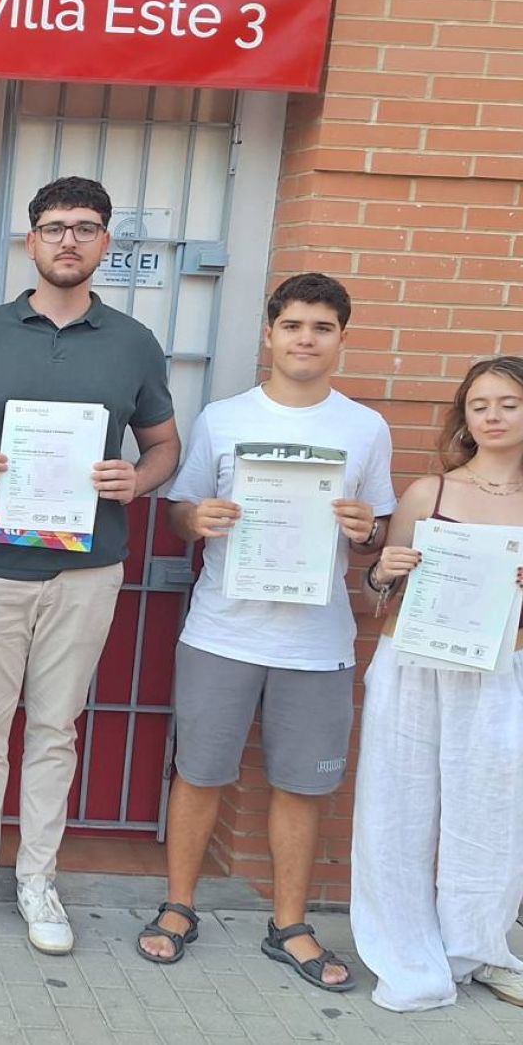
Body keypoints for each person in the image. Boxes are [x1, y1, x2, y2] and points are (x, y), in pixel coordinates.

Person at [0, 177, 181, 954]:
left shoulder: (133, 342)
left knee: (55, 729)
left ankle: (37, 878)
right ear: (31, 240)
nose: (69, 240)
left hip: (87, 568)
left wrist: (137, 479)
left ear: (106, 243)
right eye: (55, 227)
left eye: (86, 227)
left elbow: (164, 444)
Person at [134, 274, 393, 990]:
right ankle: (178, 907)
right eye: (294, 325)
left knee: (302, 786)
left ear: (341, 338)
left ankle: (290, 925)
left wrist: (366, 529)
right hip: (222, 632)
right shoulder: (224, 418)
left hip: (317, 641)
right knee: (199, 773)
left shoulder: (365, 428)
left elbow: (379, 533)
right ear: (269, 334)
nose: (306, 339)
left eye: (322, 327)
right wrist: (197, 519)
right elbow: (181, 510)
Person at [352, 356, 523, 1012]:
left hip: (499, 669)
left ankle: (476, 949)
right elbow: (378, 594)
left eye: (508, 403)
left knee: (491, 816)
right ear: (463, 417)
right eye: (479, 405)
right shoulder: (430, 493)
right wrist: (385, 570)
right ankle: (406, 954)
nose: (492, 416)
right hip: (413, 665)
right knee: (395, 811)